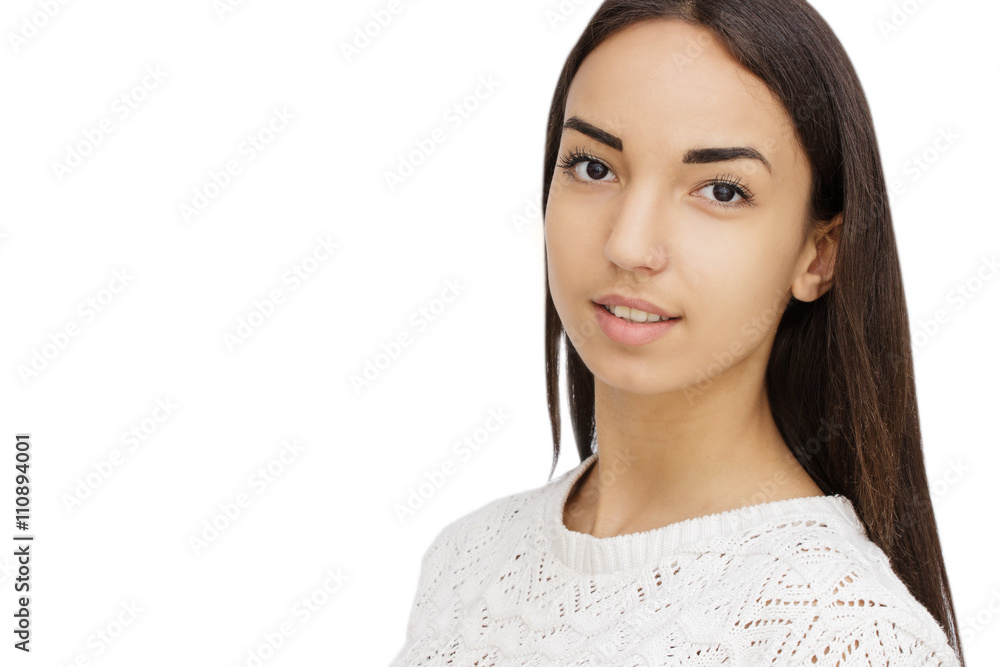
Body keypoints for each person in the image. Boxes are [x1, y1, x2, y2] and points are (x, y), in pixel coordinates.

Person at [391, 1, 965, 664]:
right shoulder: (466, 561)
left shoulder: (845, 635)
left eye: (720, 190)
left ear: (820, 254)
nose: (630, 245)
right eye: (594, 167)